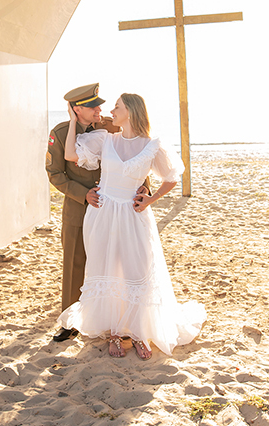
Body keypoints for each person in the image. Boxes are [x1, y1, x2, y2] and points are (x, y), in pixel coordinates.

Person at [59, 93, 205, 359]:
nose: (111, 111)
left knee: (136, 271)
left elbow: (172, 176)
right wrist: (72, 120)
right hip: (102, 214)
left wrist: (151, 199)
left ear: (132, 111)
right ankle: (115, 333)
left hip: (134, 214)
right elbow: (70, 154)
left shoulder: (152, 145)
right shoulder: (105, 139)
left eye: (117, 107)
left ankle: (138, 334)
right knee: (108, 269)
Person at [45, 83, 107, 342]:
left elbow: (133, 159)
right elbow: (55, 173)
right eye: (93, 106)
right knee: (74, 263)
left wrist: (143, 189)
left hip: (109, 207)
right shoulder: (60, 133)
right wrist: (82, 194)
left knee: (109, 262)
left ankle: (107, 317)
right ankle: (69, 322)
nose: (99, 110)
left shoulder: (111, 127)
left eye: (99, 104)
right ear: (76, 109)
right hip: (77, 209)